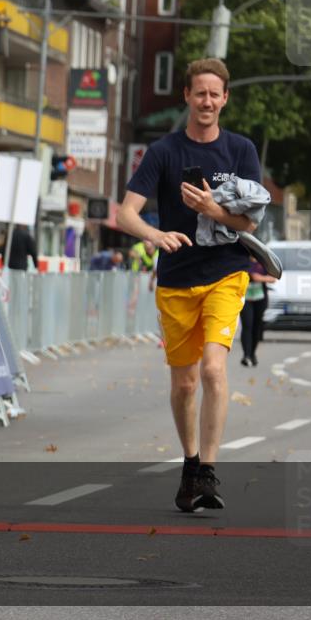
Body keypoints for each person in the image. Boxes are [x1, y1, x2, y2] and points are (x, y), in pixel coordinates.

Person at [117, 58, 261, 513]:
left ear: (225, 99)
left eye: (215, 94)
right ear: (187, 96)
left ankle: (209, 471)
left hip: (226, 270)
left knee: (214, 370)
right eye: (199, 93)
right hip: (177, 278)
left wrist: (214, 210)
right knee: (183, 384)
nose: (207, 101)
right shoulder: (163, 152)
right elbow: (125, 213)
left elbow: (250, 219)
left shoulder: (240, 151)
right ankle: (190, 464)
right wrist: (155, 235)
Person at [240, 258, 275, 367]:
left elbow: (273, 278)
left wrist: (260, 278)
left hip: (260, 298)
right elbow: (253, 276)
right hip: (246, 298)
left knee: (256, 326)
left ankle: (252, 354)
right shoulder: (243, 260)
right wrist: (261, 278)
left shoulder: (263, 262)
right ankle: (246, 355)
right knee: (247, 325)